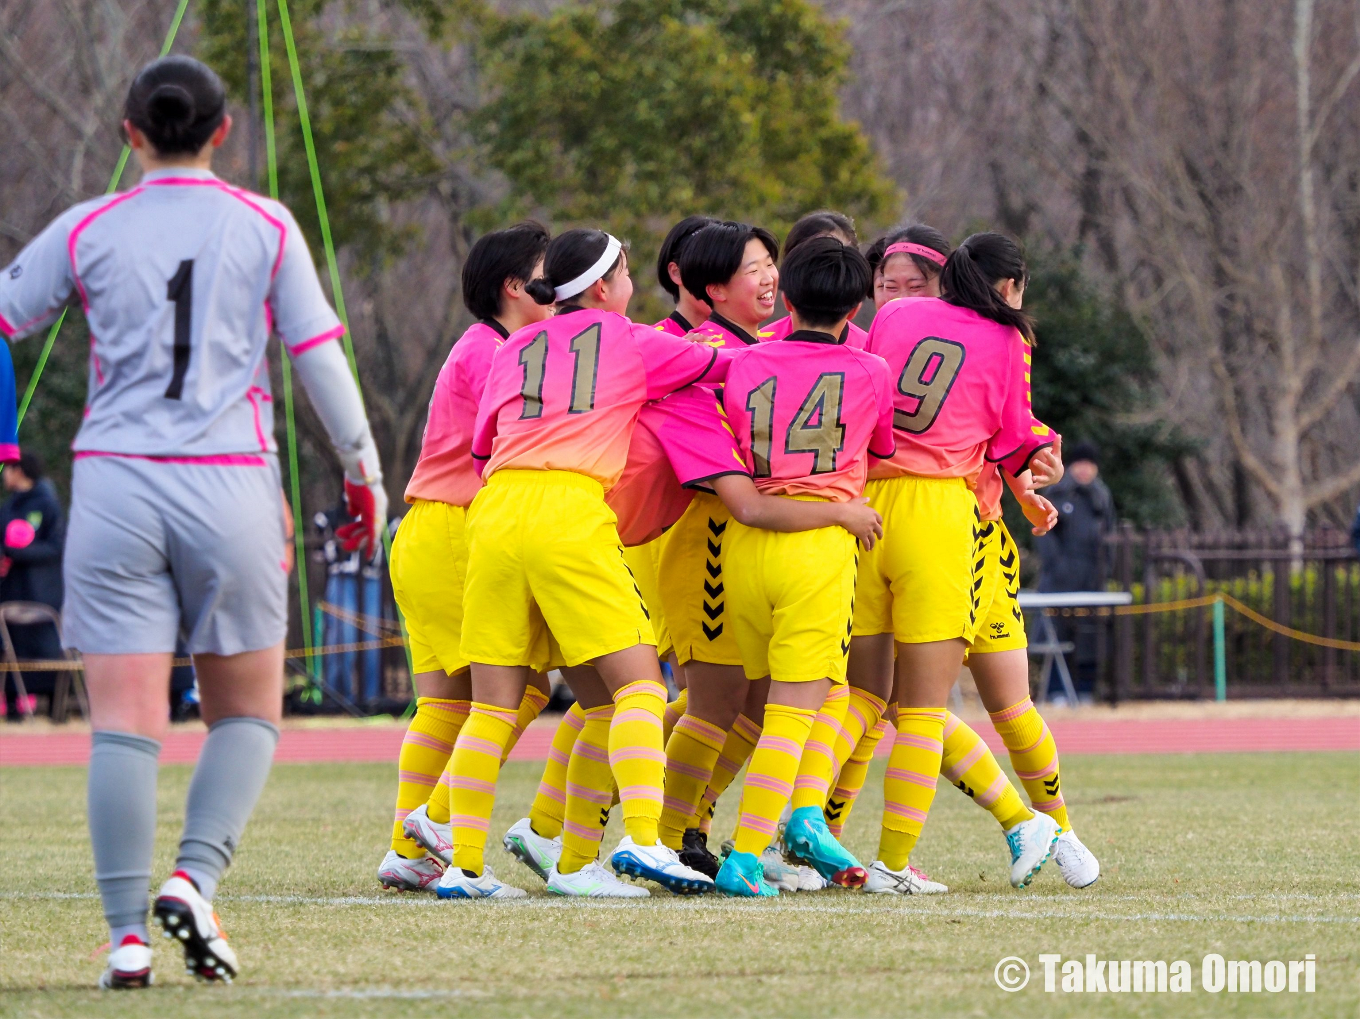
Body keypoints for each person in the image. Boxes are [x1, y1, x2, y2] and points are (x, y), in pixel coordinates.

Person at [0, 56, 385, 987]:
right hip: (230, 484)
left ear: (131, 134)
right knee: (247, 711)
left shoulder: (88, 225)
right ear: (222, 133)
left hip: (116, 486)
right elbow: (318, 354)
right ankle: (196, 875)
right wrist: (363, 468)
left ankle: (127, 935)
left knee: (124, 724)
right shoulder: (263, 223)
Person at [435, 227, 729, 900]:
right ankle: (646, 839)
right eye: (626, 273)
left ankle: (473, 866)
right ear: (602, 287)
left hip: (496, 510)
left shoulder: (512, 346)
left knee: (496, 703)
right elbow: (724, 369)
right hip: (569, 507)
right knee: (640, 687)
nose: (632, 286)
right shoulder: (626, 336)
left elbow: (483, 449)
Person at [852, 232, 1064, 894]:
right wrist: (1037, 463)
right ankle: (894, 860)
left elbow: (872, 404)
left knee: (855, 697)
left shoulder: (892, 318)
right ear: (1010, 286)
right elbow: (1013, 436)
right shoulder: (1009, 339)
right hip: (947, 509)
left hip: (863, 503)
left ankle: (784, 835)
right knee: (924, 707)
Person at [711, 237, 896, 896]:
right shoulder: (871, 368)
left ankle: (807, 817)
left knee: (817, 698)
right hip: (818, 544)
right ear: (855, 306)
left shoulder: (743, 360)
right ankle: (749, 853)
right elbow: (879, 446)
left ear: (785, 299)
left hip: (745, 542)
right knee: (793, 714)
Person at [377, 223, 556, 893]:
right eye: (547, 276)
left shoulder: (483, 345)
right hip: (457, 527)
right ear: (514, 287)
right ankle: (444, 824)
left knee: (447, 706)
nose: (559, 289)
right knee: (521, 687)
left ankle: (412, 845)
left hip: (427, 527)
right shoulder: (496, 352)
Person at [1036, 440, 1116, 701]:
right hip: (1059, 581)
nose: (1084, 470)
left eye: (1089, 465)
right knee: (1057, 634)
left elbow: (1111, 534)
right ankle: (1056, 691)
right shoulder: (1057, 493)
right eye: (1080, 464)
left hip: (1092, 579)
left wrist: (1108, 567)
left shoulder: (1102, 496)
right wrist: (1057, 567)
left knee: (1090, 636)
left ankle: (1085, 690)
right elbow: (1044, 534)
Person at [0, 450, 66, 720]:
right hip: (10, 591)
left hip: (41, 593)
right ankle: (14, 705)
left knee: (46, 648)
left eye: (8, 468)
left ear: (20, 471)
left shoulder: (48, 505)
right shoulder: (9, 506)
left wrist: (19, 553)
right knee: (11, 647)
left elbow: (56, 547)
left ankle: (55, 705)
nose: (5, 474)